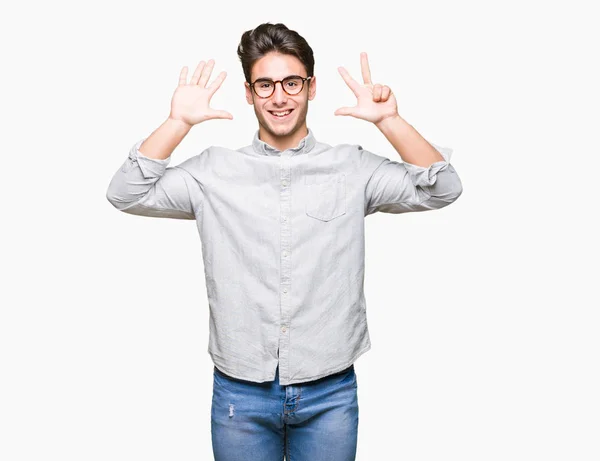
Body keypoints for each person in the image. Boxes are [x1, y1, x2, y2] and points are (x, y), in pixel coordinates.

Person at [106, 22, 463, 461]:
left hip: (329, 391)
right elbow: (126, 193)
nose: (279, 97)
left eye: (292, 82)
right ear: (249, 92)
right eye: (266, 84)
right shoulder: (211, 173)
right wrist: (177, 122)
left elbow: (442, 188)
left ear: (311, 88)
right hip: (241, 393)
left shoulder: (351, 167)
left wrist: (390, 120)